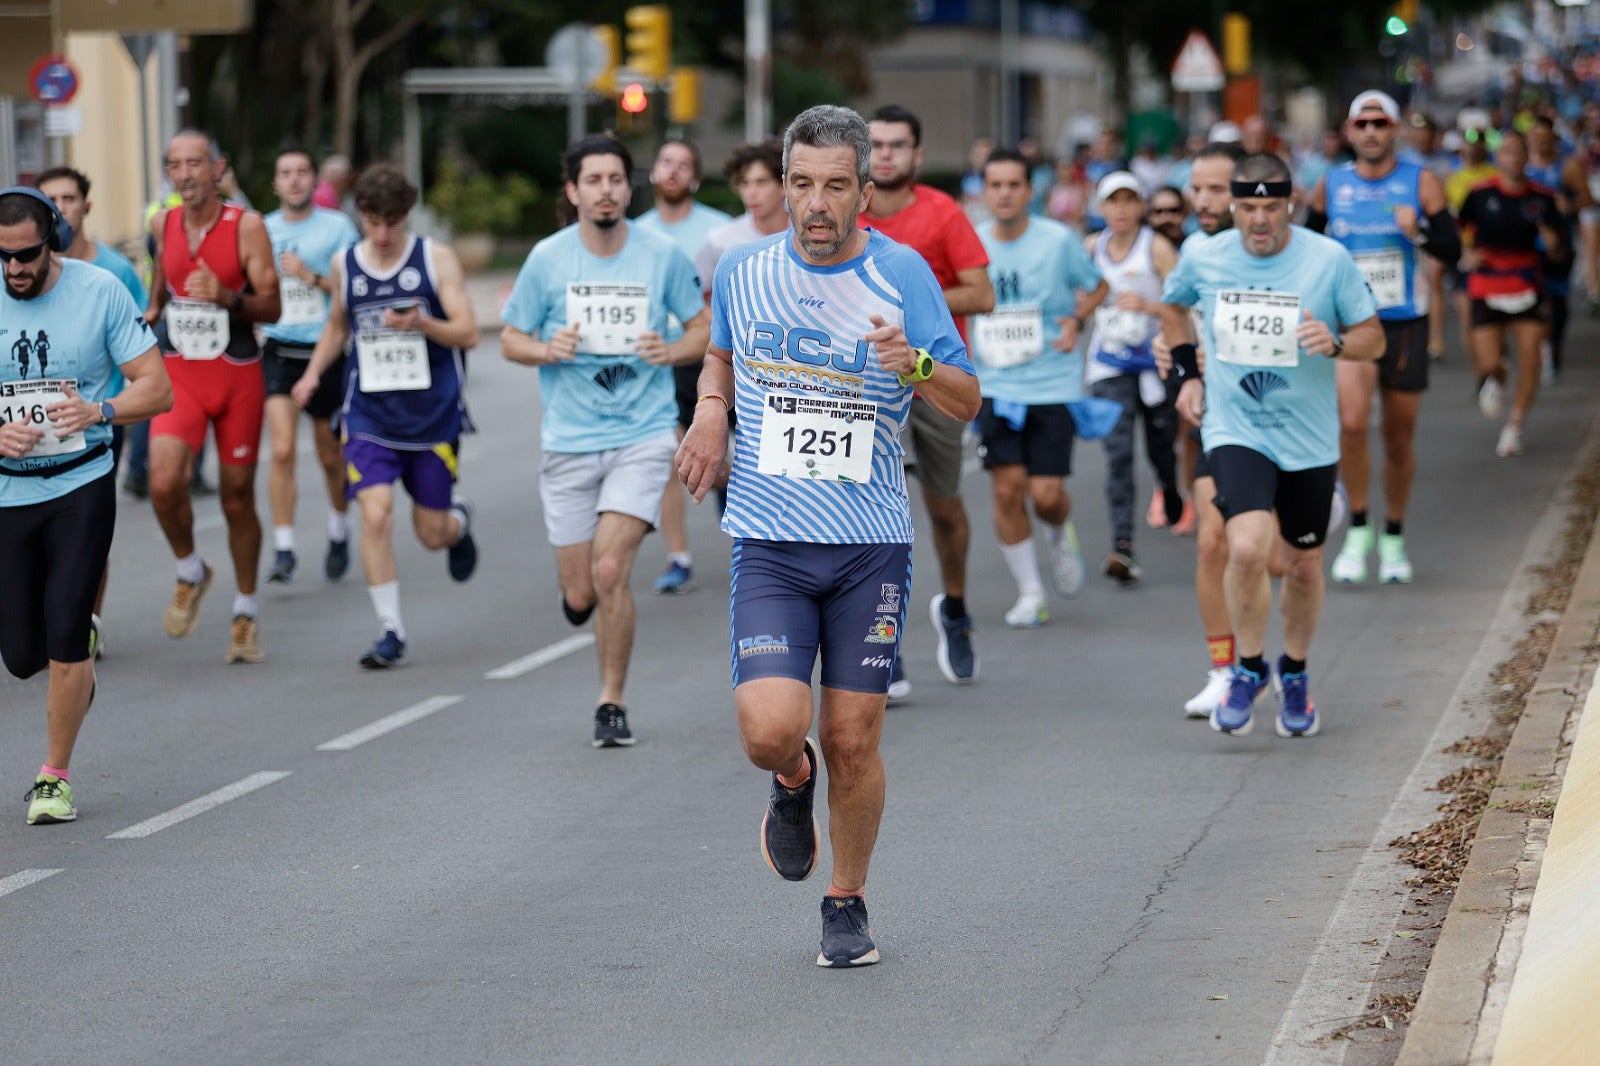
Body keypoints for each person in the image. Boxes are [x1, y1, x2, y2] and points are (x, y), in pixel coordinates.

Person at [675, 104, 979, 967]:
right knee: (772, 730)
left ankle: (846, 902)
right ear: (781, 182)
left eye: (835, 187)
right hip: (771, 539)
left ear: (864, 192)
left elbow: (966, 395)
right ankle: (790, 779)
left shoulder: (905, 276)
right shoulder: (743, 269)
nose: (815, 203)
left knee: (855, 738)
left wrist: (916, 367)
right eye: (800, 184)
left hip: (869, 544)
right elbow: (723, 354)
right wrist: (709, 414)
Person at [1160, 153, 1382, 738]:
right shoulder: (1204, 256)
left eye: (1271, 207)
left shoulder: (1326, 259)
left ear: (1292, 205)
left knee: (1304, 565)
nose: (1259, 220)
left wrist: (1334, 344)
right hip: (1238, 428)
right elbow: (1173, 305)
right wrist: (1187, 373)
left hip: (1308, 438)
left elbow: (1374, 338)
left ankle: (1297, 672)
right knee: (1248, 548)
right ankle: (1249, 668)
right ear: (1233, 206)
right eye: (1248, 207)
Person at [501, 135, 709, 747]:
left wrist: (670, 350)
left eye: (616, 179)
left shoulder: (661, 254)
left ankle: (611, 701)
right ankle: (580, 598)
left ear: (628, 187)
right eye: (593, 180)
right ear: (573, 191)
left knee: (612, 567)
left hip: (641, 435)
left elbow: (704, 327)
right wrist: (547, 348)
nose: (606, 190)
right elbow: (510, 337)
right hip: (568, 440)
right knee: (582, 588)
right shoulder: (548, 258)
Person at [0, 186, 172, 823]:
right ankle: (71, 656)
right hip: (6, 491)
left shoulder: (100, 290)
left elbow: (158, 389)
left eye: (26, 255)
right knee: (22, 657)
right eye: (3, 258)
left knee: (66, 636)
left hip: (81, 481)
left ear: (54, 243)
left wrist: (100, 409)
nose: (14, 268)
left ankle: (54, 777)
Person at [291, 164, 480, 667]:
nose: (380, 234)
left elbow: (467, 332)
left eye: (390, 222)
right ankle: (390, 630)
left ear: (406, 217)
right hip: (369, 412)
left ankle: (459, 523)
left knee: (430, 533)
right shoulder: (345, 264)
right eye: (371, 221)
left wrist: (422, 322)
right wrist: (312, 375)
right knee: (374, 514)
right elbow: (337, 325)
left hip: (432, 416)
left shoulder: (435, 259)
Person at [863, 105, 994, 694]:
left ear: (917, 156)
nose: (886, 154)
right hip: (864, 383)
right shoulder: (847, 212)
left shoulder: (942, 213)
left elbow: (982, 294)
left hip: (932, 375)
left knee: (942, 508)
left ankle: (956, 609)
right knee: (882, 507)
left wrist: (910, 297)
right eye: (877, 144)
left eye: (898, 145)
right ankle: (880, 637)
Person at [1308, 90, 1459, 587]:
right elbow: (1304, 249)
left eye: (1380, 123)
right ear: (1350, 131)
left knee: (1397, 438)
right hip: (1352, 323)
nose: (1371, 132)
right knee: (1352, 424)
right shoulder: (1331, 185)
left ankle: (1393, 534)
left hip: (1404, 321)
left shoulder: (1421, 181)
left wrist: (1417, 233)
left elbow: (1452, 249)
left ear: (1395, 130)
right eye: (1362, 124)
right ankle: (1357, 529)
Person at [145, 131, 281, 664]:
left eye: (195, 163)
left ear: (217, 168)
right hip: (181, 372)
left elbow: (273, 307)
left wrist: (226, 297)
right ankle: (190, 570)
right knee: (161, 481)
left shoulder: (246, 226)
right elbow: (164, 273)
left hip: (237, 375)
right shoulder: (163, 223)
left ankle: (245, 611)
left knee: (236, 497)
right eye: (175, 165)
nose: (185, 174)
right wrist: (154, 307)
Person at [974, 149, 1106, 627]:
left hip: (1051, 380)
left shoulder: (1058, 241)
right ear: (984, 191)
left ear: (1030, 191)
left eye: (1014, 184)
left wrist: (1076, 318)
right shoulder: (973, 242)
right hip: (994, 381)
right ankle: (1030, 591)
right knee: (1007, 491)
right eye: (996, 185)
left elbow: (1097, 286)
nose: (1005, 193)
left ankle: (1058, 532)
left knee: (1046, 494)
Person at [35, 165, 149, 658]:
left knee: (86, 525)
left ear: (86, 206)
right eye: (50, 198)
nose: (61, 206)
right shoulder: (16, 275)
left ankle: (85, 620)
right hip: (29, 423)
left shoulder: (113, 273)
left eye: (68, 197)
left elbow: (141, 342)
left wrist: (107, 406)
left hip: (98, 415)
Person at [634, 139, 732, 596]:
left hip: (716, 355)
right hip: (661, 357)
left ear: (694, 178)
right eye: (665, 161)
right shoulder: (635, 233)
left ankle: (742, 528)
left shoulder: (719, 232)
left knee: (727, 457)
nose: (672, 171)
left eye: (684, 165)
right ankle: (678, 556)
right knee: (669, 453)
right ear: (654, 172)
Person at [262, 148, 363, 586]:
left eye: (303, 172)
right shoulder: (263, 229)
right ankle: (284, 548)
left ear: (313, 179)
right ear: (275, 183)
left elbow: (353, 288)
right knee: (282, 449)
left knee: (329, 454)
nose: (295, 180)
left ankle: (338, 530)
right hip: (280, 351)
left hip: (326, 352)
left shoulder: (337, 227)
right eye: (286, 173)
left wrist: (310, 277)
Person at [1084, 171, 1182, 584]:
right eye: (1113, 201)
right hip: (1109, 364)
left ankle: (1171, 488)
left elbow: (1184, 305)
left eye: (1129, 201)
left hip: (1154, 365)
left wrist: (1148, 306)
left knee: (1161, 447)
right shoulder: (1091, 248)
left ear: (1140, 206)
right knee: (1118, 453)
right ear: (1101, 207)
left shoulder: (1156, 249)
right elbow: (1077, 297)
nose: (1121, 209)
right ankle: (1122, 546)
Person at [1457, 129, 1563, 458]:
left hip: (1527, 285)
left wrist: (1554, 245)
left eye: (1519, 152)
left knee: (1530, 358)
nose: (1513, 158)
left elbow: (1560, 251)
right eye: (1506, 152)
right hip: (1487, 284)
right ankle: (1494, 378)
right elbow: (1455, 230)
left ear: (1527, 158)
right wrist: (1466, 253)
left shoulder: (1542, 199)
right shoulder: (1478, 194)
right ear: (1497, 157)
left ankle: (1514, 425)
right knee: (1489, 363)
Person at [1525, 114, 1591, 384]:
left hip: (1560, 244)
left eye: (1545, 137)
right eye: (1535, 137)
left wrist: (1570, 205)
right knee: (1534, 298)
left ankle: (1554, 345)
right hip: (1527, 244)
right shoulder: (1522, 164)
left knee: (1557, 299)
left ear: (1553, 138)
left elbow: (1587, 198)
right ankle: (1539, 349)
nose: (1540, 142)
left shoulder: (1568, 165)